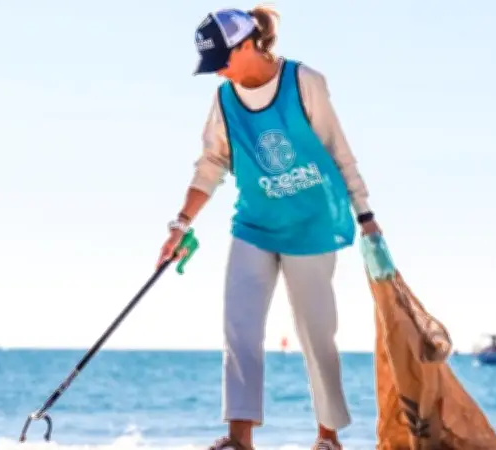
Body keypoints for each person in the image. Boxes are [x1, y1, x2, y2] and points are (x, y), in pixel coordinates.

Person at [157, 6, 380, 450]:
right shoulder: (224, 99)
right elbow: (212, 163)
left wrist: (367, 218)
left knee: (316, 332)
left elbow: (340, 151)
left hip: (311, 227)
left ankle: (327, 437)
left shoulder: (303, 81)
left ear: (246, 45)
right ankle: (240, 439)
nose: (218, 71)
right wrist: (181, 224)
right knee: (239, 327)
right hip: (254, 224)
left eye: (222, 58)